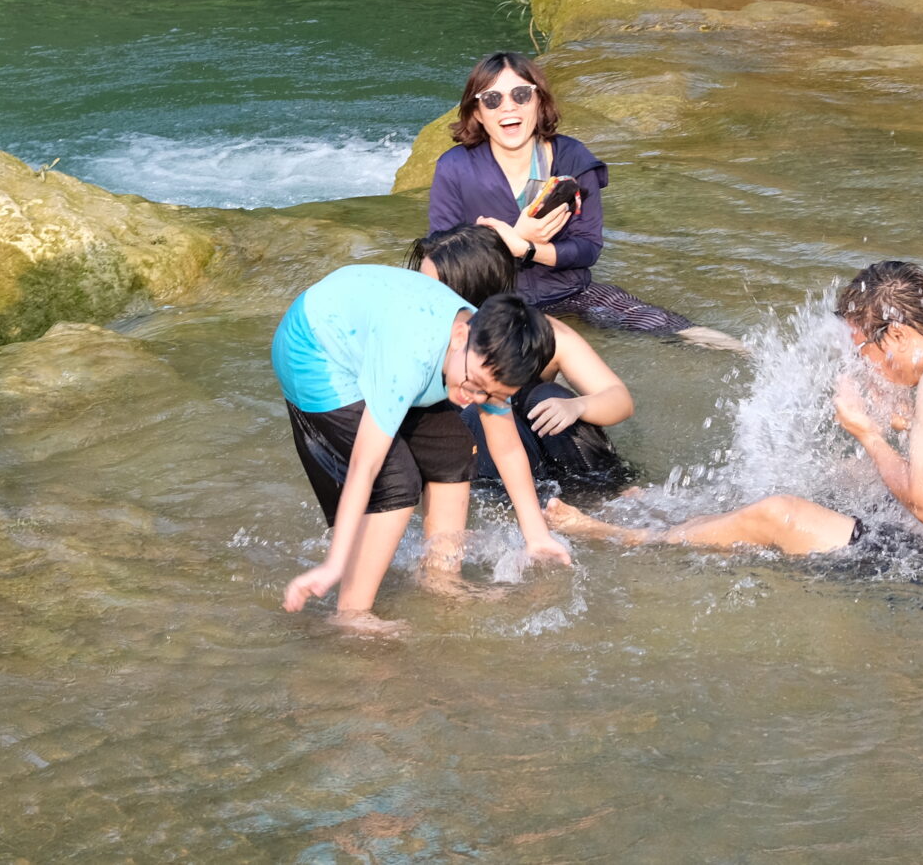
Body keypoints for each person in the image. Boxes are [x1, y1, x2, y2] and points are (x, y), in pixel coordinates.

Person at [545, 261, 923, 562]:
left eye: (866, 350)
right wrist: (898, 419)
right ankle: (691, 510)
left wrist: (868, 433)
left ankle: (627, 537)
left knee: (779, 513)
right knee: (849, 476)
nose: (865, 362)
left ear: (897, 334)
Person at [272, 255, 573, 628]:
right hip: (315, 349)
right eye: (473, 385)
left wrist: (537, 536)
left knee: (453, 451)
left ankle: (439, 579)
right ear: (461, 336)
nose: (474, 399)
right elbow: (366, 468)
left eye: (490, 395)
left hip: (375, 335)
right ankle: (351, 614)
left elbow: (508, 447)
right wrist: (334, 563)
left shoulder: (490, 355)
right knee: (396, 480)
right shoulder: (411, 357)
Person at [426, 51, 725, 342]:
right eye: (492, 99)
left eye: (520, 95)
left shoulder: (572, 158)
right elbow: (440, 260)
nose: (508, 108)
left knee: (665, 325)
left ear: (538, 100)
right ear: (477, 112)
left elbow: (587, 248)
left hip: (569, 291)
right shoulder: (455, 167)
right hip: (490, 301)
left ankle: (745, 353)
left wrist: (528, 248)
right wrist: (509, 243)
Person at [413, 224, 640, 499]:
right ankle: (523, 511)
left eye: (430, 287)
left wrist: (577, 406)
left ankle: (607, 495)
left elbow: (620, 399)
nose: (419, 295)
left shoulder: (541, 333)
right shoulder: (418, 338)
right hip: (483, 467)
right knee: (477, 413)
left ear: (471, 291)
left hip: (546, 458)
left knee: (548, 395)